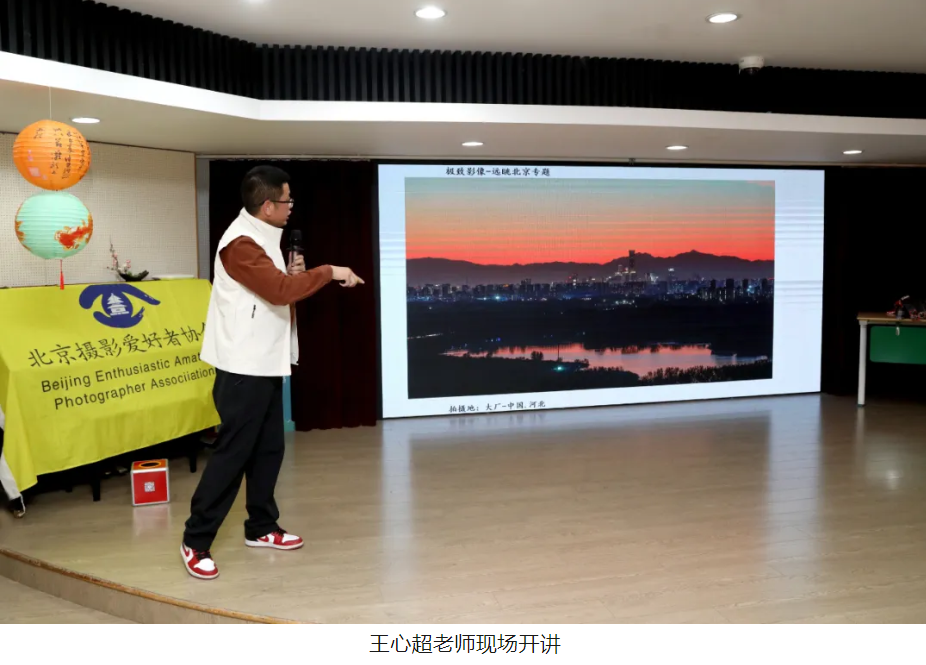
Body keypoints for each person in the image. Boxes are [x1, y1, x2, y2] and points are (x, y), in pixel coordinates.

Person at [181, 165, 363, 580]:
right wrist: (329, 271)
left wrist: (295, 277)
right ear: (267, 206)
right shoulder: (240, 244)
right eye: (286, 200)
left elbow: (276, 287)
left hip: (264, 363)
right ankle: (196, 540)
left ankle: (261, 527)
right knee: (233, 456)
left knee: (268, 450)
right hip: (242, 367)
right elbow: (280, 292)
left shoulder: (263, 236)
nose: (290, 206)